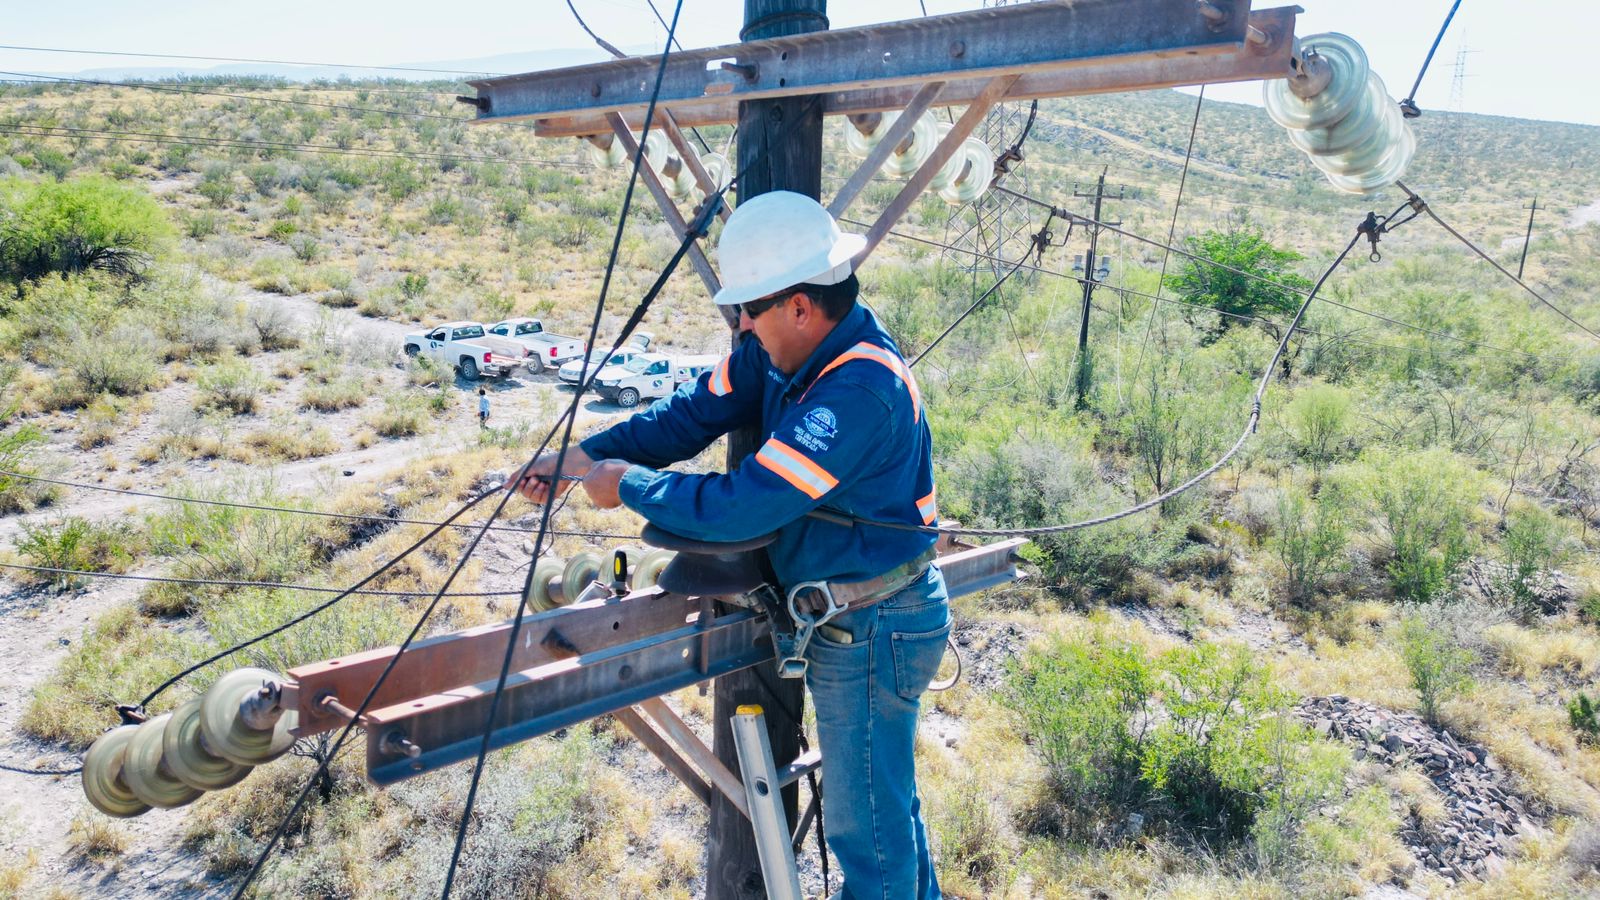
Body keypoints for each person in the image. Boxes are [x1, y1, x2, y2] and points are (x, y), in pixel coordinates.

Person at [517, 190, 946, 899]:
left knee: (867, 840)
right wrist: (582, 457)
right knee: (884, 813)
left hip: (874, 628)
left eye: (752, 308)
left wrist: (626, 487)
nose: (740, 322)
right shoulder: (782, 356)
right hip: (855, 620)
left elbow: (741, 509)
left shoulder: (860, 391)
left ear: (801, 307)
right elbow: (686, 418)